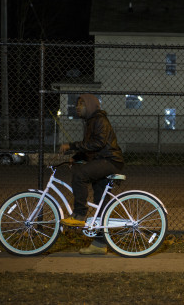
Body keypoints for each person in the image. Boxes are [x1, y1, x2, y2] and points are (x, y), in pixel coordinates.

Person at [59, 94, 124, 255]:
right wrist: (77, 157)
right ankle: (99, 244)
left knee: (80, 175)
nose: (77, 108)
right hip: (102, 160)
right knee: (101, 203)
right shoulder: (91, 121)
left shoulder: (99, 120)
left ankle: (80, 213)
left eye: (81, 104)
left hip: (109, 161)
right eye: (77, 105)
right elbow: (90, 147)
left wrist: (71, 146)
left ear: (90, 105)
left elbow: (98, 143)